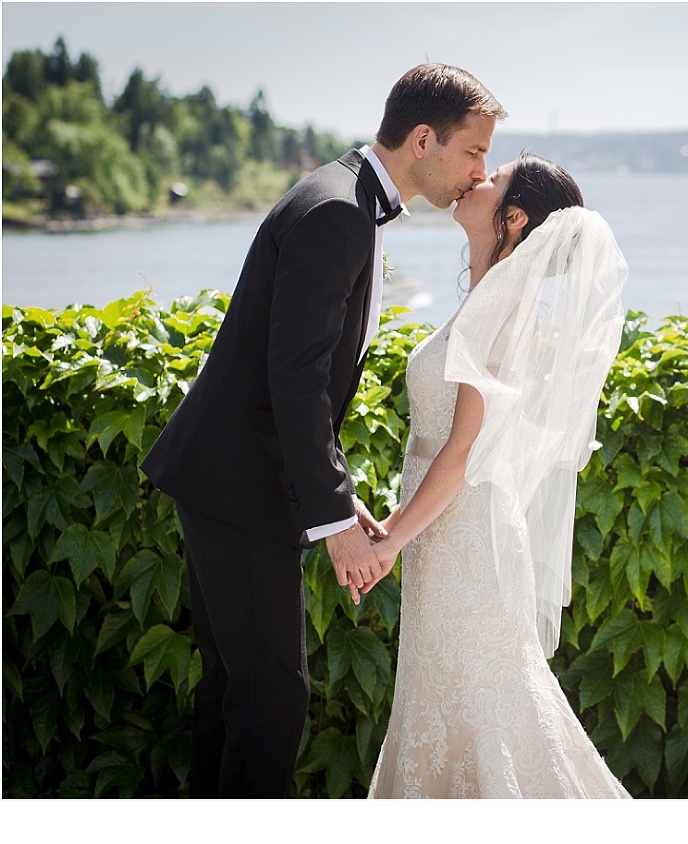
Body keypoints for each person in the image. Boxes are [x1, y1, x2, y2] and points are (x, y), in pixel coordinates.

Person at [139, 63, 505, 798]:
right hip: (239, 484)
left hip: (232, 478)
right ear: (425, 139)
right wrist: (334, 521)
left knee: (237, 692)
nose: (480, 171)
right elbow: (296, 384)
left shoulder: (342, 195)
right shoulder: (339, 211)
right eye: (474, 151)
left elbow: (304, 378)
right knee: (272, 697)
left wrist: (342, 498)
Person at [364, 153, 632, 798]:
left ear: (512, 217)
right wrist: (403, 532)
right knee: (449, 698)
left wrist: (391, 540)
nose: (475, 178)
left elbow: (460, 454)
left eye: (494, 177)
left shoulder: (503, 312)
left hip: (468, 537)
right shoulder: (490, 298)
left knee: (485, 706)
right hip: (447, 530)